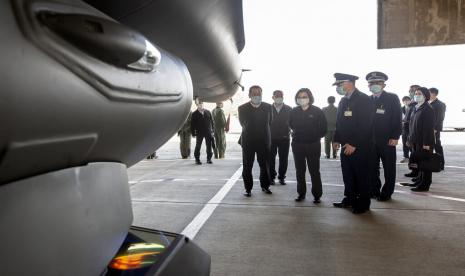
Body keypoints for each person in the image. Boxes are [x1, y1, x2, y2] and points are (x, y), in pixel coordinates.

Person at [332, 73, 374, 214]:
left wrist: (353, 143)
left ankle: (363, 203)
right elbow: (339, 123)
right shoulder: (343, 101)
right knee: (348, 174)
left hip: (360, 147)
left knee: (362, 175)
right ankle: (349, 199)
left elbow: (365, 125)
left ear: (349, 83)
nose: (338, 87)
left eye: (339, 84)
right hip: (345, 145)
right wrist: (336, 139)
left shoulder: (364, 100)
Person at [366, 71, 402, 201]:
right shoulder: (367, 99)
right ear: (368, 86)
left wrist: (395, 136)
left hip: (388, 140)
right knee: (372, 168)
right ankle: (374, 190)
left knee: (389, 168)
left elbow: (397, 118)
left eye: (377, 82)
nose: (374, 85)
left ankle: (387, 192)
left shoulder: (392, 98)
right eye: (371, 83)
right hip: (371, 141)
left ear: (384, 84)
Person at [289, 88, 327, 203]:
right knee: (299, 171)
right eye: (299, 97)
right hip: (297, 145)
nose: (302, 99)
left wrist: (314, 137)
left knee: (314, 171)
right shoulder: (294, 111)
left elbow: (323, 129)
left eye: (304, 96)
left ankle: (317, 195)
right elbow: (290, 125)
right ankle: (301, 194)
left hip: (313, 145)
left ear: (309, 98)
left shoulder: (317, 111)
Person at [238, 85, 273, 197]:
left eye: (258, 94)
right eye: (254, 94)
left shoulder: (268, 107)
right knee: (247, 166)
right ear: (249, 95)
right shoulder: (242, 108)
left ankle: (265, 186)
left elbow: (270, 122)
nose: (256, 96)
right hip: (248, 142)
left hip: (264, 141)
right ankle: (248, 188)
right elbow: (242, 123)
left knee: (265, 165)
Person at [407, 87, 435, 191]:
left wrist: (426, 143)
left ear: (425, 96)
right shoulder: (416, 107)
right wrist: (410, 139)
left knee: (426, 164)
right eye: (416, 93)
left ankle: (425, 184)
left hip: (424, 142)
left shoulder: (428, 109)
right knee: (419, 162)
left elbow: (428, 128)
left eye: (419, 93)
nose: (416, 95)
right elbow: (411, 125)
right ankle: (420, 180)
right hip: (415, 140)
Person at [270, 90, 292, 185]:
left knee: (283, 159)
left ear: (283, 97)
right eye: (277, 96)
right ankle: (271, 177)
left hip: (284, 138)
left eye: (281, 96)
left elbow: (292, 122)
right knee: (270, 158)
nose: (279, 97)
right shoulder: (268, 108)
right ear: (273, 97)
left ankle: (282, 177)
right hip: (271, 138)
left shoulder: (289, 109)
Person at [191, 99, 215, 165]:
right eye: (199, 104)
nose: (201, 105)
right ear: (197, 105)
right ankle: (197, 159)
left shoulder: (208, 112)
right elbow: (192, 125)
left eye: (202, 104)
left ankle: (209, 159)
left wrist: (213, 131)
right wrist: (193, 133)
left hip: (208, 132)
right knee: (198, 146)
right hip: (199, 133)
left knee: (209, 146)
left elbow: (212, 122)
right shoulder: (194, 114)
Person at [404, 85, 420, 178]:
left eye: (414, 91)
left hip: (413, 133)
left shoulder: (417, 105)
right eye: (410, 91)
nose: (411, 92)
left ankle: (417, 172)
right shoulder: (411, 104)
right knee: (412, 154)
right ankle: (414, 171)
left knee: (416, 154)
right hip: (408, 132)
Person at [429, 87, 446, 171]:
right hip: (428, 129)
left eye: (429, 93)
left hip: (434, 130)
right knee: (430, 147)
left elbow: (440, 118)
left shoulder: (440, 104)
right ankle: (433, 164)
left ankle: (441, 164)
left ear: (433, 94)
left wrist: (435, 129)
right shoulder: (429, 103)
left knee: (437, 146)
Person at [400, 96, 412, 163]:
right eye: (404, 100)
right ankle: (406, 157)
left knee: (410, 143)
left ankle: (413, 156)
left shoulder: (413, 108)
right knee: (404, 143)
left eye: (407, 100)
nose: (406, 102)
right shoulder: (401, 109)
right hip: (404, 129)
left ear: (410, 100)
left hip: (411, 129)